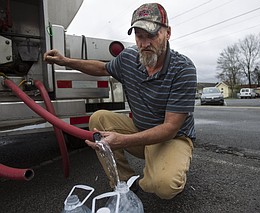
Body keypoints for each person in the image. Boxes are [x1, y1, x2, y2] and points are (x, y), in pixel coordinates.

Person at [44, 3, 197, 200]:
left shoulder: (183, 69)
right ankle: (123, 181)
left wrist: (122, 140)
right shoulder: (129, 58)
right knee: (99, 118)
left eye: (151, 35)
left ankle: (170, 168)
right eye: (139, 36)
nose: (144, 43)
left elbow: (170, 128)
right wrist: (65, 61)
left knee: (163, 187)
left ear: (167, 33)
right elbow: (102, 68)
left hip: (171, 138)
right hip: (140, 131)